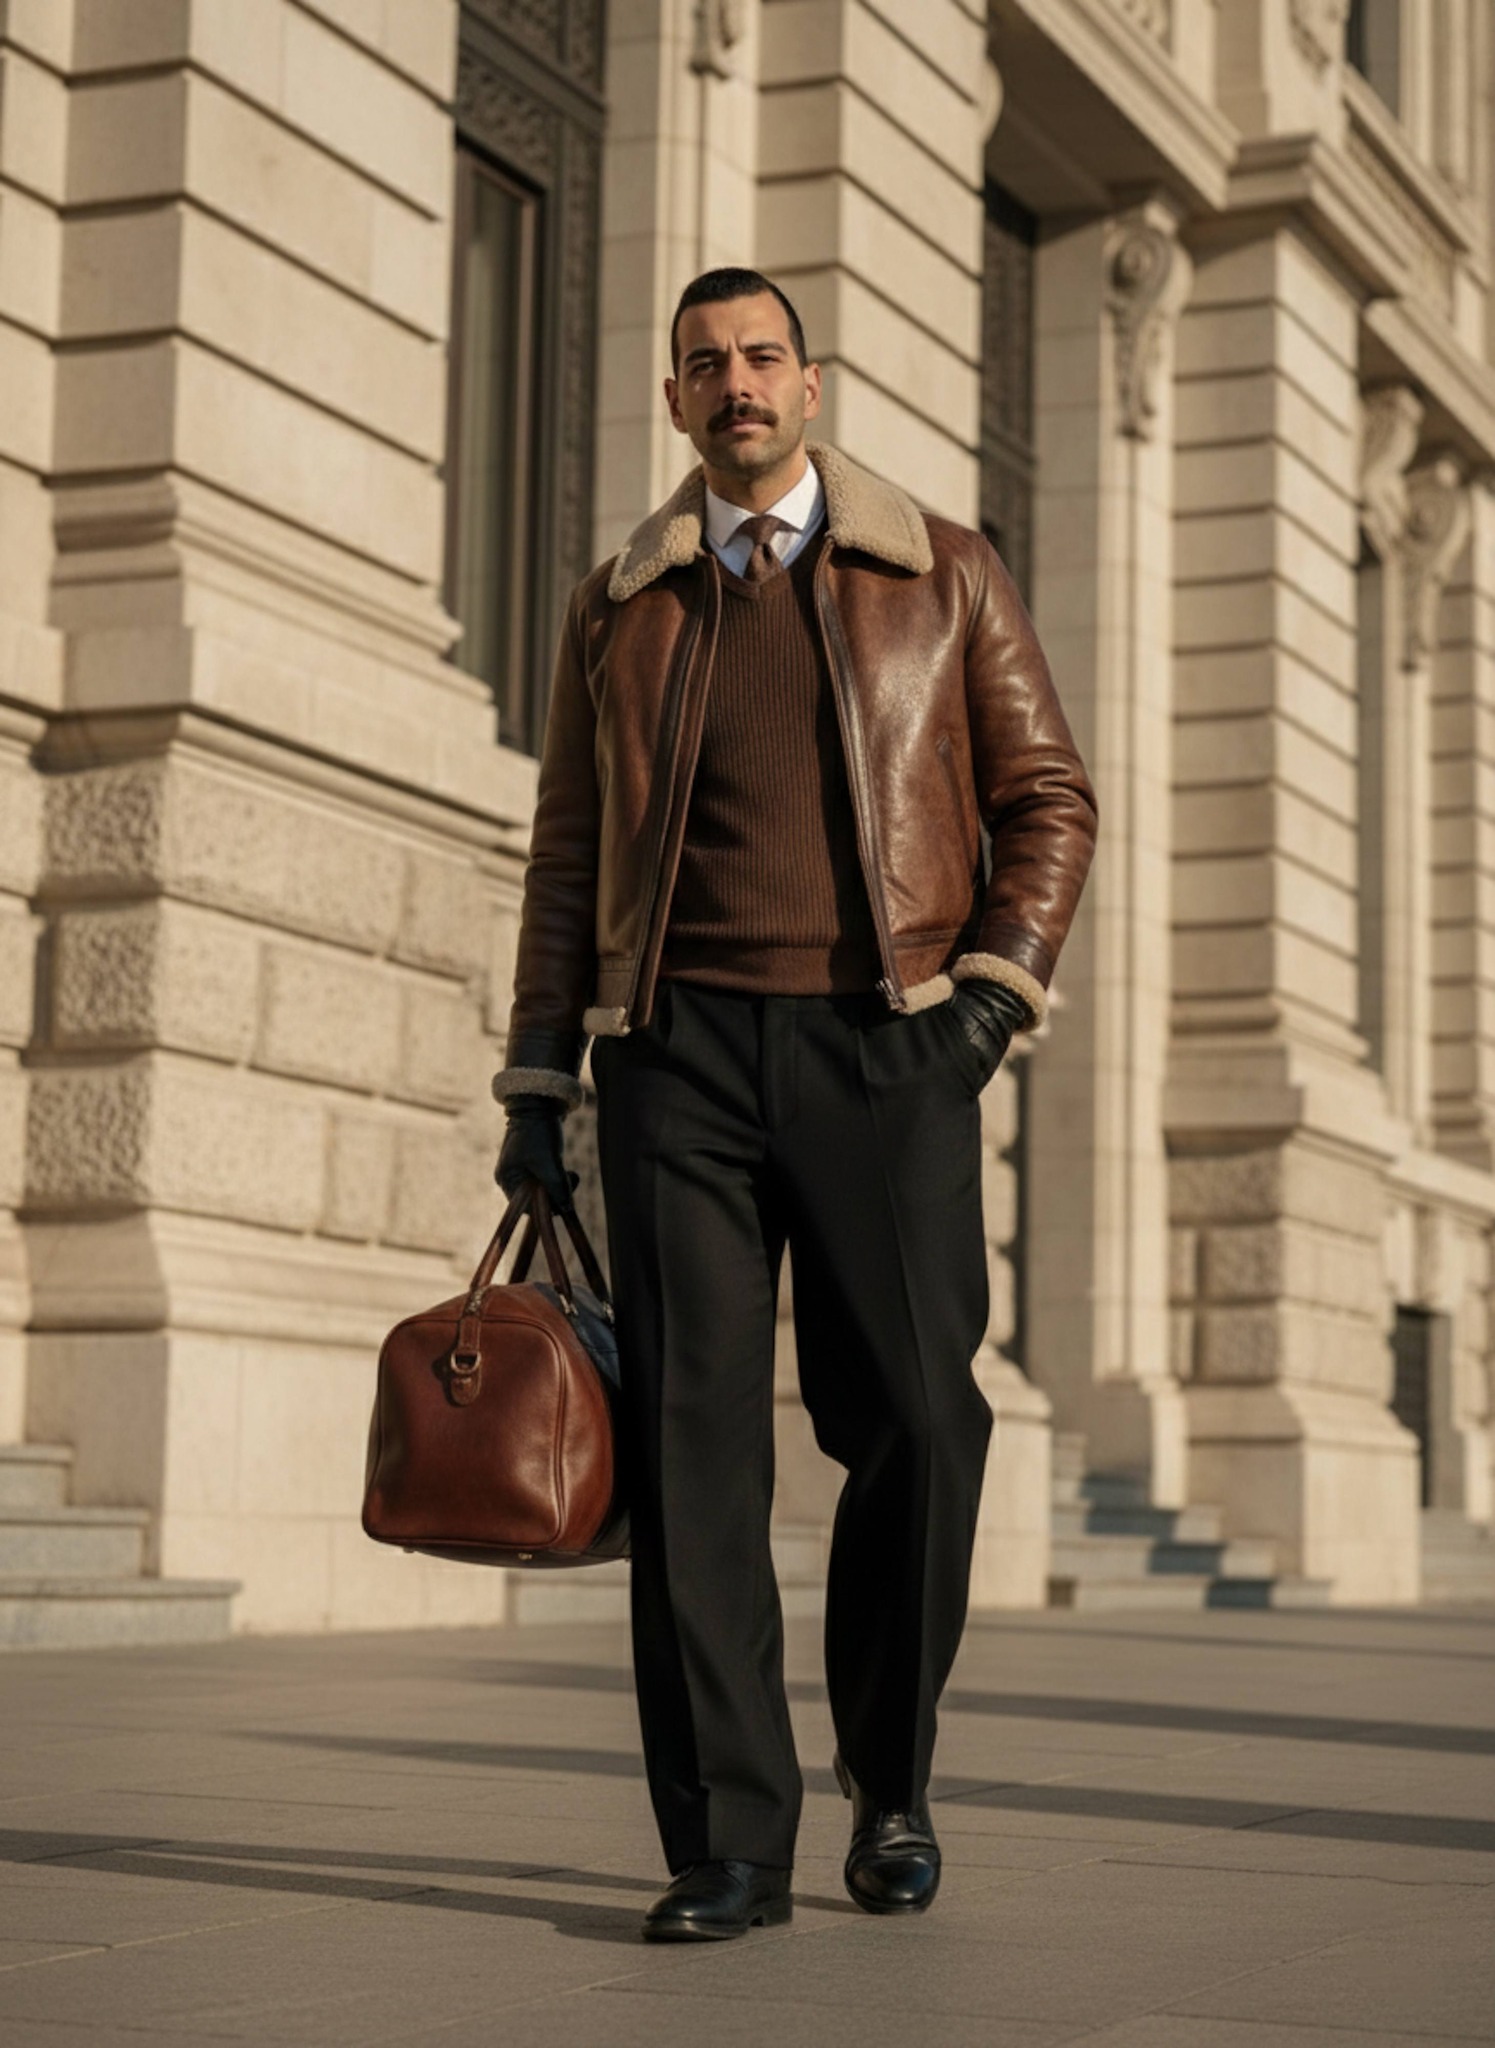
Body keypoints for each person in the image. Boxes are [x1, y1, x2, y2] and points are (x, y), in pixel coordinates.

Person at [492, 267, 1096, 1941]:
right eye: (705, 365)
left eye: (762, 358)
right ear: (675, 400)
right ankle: (731, 1845)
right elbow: (567, 854)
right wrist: (544, 1074)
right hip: (671, 1058)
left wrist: (986, 1003)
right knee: (693, 1455)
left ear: (810, 387)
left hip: (882, 1044)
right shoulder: (621, 603)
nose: (735, 385)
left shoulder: (940, 568)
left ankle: (890, 1784)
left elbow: (1047, 794)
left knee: (918, 1419)